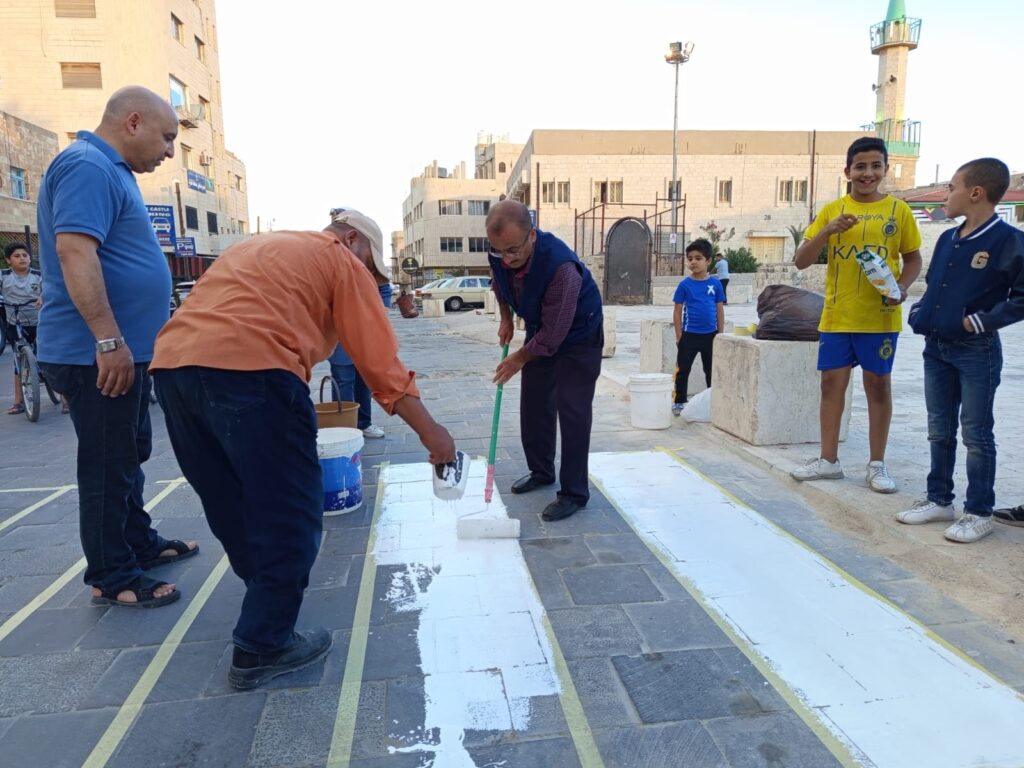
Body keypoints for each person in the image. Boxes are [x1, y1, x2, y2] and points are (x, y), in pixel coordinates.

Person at [150, 210, 456, 690]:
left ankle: (265, 597)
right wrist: (432, 432)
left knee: (229, 497)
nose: (370, 281)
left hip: (173, 371)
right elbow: (380, 365)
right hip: (256, 372)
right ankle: (263, 643)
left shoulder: (260, 246)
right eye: (372, 269)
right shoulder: (341, 259)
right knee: (290, 509)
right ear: (352, 240)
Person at [36, 86, 198, 610]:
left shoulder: (112, 170)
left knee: (129, 454)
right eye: (167, 137)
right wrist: (108, 340)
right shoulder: (87, 166)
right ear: (133, 122)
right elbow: (74, 253)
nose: (170, 151)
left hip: (120, 351)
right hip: (95, 355)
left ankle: (137, 542)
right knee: (108, 465)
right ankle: (112, 573)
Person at [895, 158, 1024, 543]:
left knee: (976, 433)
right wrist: (920, 311)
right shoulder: (949, 238)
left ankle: (979, 511)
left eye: (952, 188)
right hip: (936, 348)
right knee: (939, 429)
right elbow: (935, 283)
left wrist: (979, 322)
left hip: (976, 350)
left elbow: (1021, 297)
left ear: (976, 193)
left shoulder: (1008, 240)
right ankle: (939, 499)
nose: (946, 196)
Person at [791, 136, 922, 493]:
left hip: (880, 318)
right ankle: (828, 461)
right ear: (847, 171)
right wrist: (827, 231)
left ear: (885, 169)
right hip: (837, 317)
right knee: (831, 385)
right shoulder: (833, 210)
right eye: (860, 166)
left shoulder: (898, 211)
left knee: (878, 386)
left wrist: (903, 286)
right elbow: (801, 261)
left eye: (875, 166)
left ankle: (877, 464)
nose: (868, 173)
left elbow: (913, 259)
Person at [488, 200, 603, 522]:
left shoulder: (561, 268)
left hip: (580, 334)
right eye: (498, 251)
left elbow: (554, 335)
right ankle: (541, 471)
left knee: (573, 410)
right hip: (542, 326)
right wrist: (506, 318)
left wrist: (518, 359)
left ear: (532, 235)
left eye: (513, 250)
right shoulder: (499, 252)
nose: (506, 258)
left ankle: (574, 493)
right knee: (535, 403)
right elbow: (499, 282)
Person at [672, 238, 725, 415]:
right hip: (689, 335)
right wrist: (679, 336)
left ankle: (712, 402)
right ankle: (679, 402)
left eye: (698, 258)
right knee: (682, 370)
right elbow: (677, 311)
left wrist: (720, 334)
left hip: (711, 336)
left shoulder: (715, 284)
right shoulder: (684, 285)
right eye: (690, 258)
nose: (693, 262)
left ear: (708, 261)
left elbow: (719, 309)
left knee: (710, 370)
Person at [2, 243, 43, 415]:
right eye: (17, 256)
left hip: (39, 323)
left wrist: (43, 297)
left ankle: (65, 400)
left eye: (25, 255)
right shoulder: (3, 276)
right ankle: (18, 402)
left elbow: (51, 288)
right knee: (18, 360)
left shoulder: (38, 276)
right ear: (8, 260)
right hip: (15, 323)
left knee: (49, 358)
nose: (22, 258)